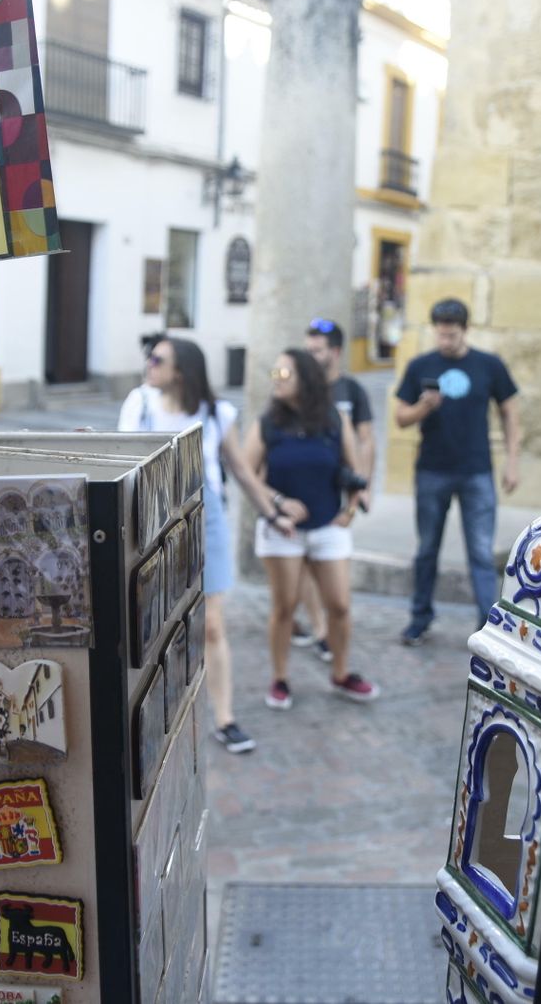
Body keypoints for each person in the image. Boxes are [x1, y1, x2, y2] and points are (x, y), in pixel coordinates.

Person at [117, 336, 280, 754]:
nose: (149, 364)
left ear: (181, 370)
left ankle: (224, 717)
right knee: (152, 625)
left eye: (158, 359)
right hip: (152, 526)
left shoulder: (216, 412)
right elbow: (122, 461)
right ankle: (158, 714)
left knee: (212, 624)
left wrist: (272, 513)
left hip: (208, 521)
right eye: (150, 357)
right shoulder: (140, 403)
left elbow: (240, 470)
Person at [243, 349, 379, 710]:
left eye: (284, 373)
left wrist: (350, 511)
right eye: (274, 372)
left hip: (328, 525)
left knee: (340, 605)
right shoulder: (267, 422)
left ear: (306, 379)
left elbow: (356, 473)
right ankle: (280, 678)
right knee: (285, 607)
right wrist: (278, 502)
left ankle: (341, 673)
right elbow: (247, 475)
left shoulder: (334, 419)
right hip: (282, 530)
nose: (276, 379)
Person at [394, 298, 521, 645]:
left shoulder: (488, 365)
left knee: (481, 552)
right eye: (440, 334)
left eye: (451, 335)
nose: (445, 341)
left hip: (476, 471)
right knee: (426, 550)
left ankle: (488, 625)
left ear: (465, 330)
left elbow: (510, 412)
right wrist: (424, 407)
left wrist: (512, 461)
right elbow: (401, 418)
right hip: (432, 470)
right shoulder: (421, 365)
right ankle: (420, 618)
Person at [291, 318, 375, 663]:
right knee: (305, 562)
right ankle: (320, 628)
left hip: (340, 488)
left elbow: (366, 440)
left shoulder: (351, 390)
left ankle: (330, 622)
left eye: (317, 350)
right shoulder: (297, 388)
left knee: (331, 559)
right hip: (304, 487)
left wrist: (363, 487)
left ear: (336, 352)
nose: (310, 356)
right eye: (307, 350)